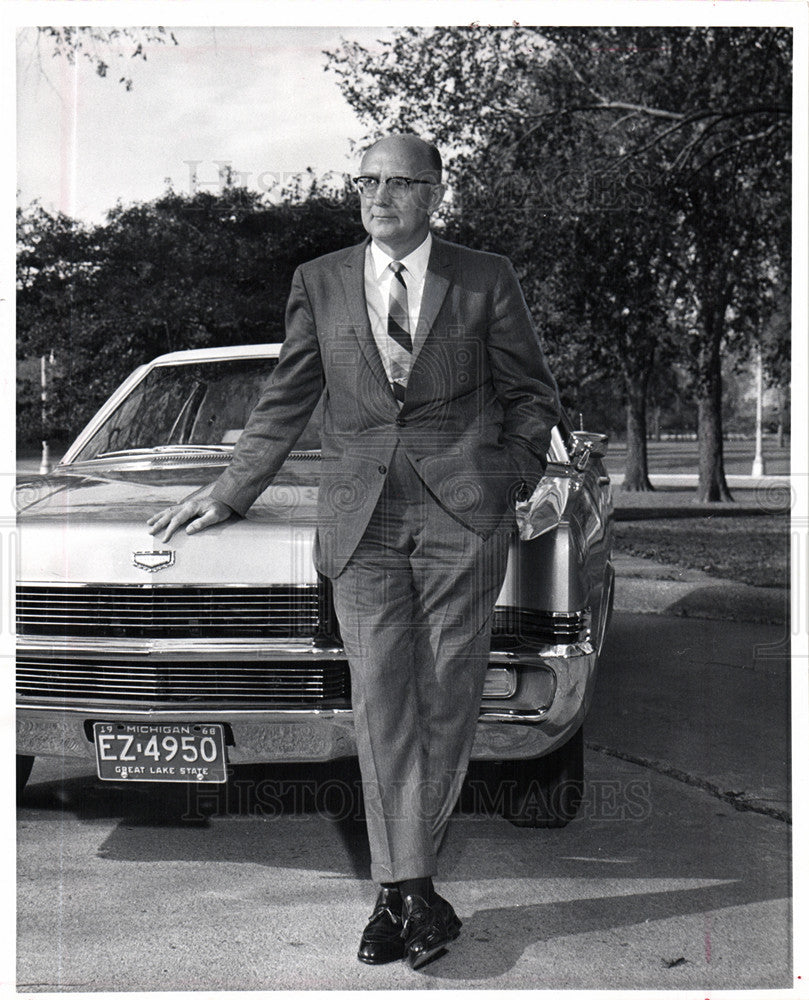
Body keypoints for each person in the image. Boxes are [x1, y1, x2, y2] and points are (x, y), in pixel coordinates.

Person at [147, 134, 560, 969]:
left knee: (445, 701)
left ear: (435, 193)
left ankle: (394, 892)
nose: (379, 197)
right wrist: (230, 489)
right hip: (359, 519)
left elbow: (531, 394)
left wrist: (505, 477)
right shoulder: (321, 279)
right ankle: (411, 890)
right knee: (379, 703)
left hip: (462, 518)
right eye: (366, 182)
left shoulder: (485, 277)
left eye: (400, 184)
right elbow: (286, 396)